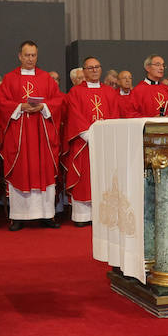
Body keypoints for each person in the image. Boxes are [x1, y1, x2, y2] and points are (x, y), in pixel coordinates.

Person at [0, 41, 64, 229]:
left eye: (33, 55)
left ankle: (47, 215)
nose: (30, 59)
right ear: (19, 56)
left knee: (44, 171)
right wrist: (20, 106)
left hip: (42, 135)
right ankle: (18, 216)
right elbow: (1, 102)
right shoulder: (9, 79)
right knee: (21, 171)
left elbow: (58, 100)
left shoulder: (46, 78)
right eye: (27, 55)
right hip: (20, 135)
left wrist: (44, 107)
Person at [60, 58, 121, 225]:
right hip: (84, 141)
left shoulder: (110, 92)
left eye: (97, 67)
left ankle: (104, 215)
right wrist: (88, 135)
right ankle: (82, 216)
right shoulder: (75, 92)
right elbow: (74, 114)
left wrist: (106, 134)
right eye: (90, 68)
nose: (94, 70)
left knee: (105, 177)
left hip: (105, 141)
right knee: (84, 178)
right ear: (84, 71)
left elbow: (115, 113)